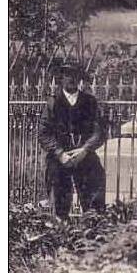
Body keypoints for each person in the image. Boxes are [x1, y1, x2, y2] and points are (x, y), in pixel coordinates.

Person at [39, 63, 106, 219]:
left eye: (75, 75)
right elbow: (44, 133)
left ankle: (93, 228)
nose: (72, 79)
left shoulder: (90, 102)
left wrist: (85, 150)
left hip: (84, 155)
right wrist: (59, 153)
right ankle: (61, 226)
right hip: (60, 157)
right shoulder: (53, 102)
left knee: (94, 189)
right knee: (58, 190)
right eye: (68, 75)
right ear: (61, 78)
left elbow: (99, 131)